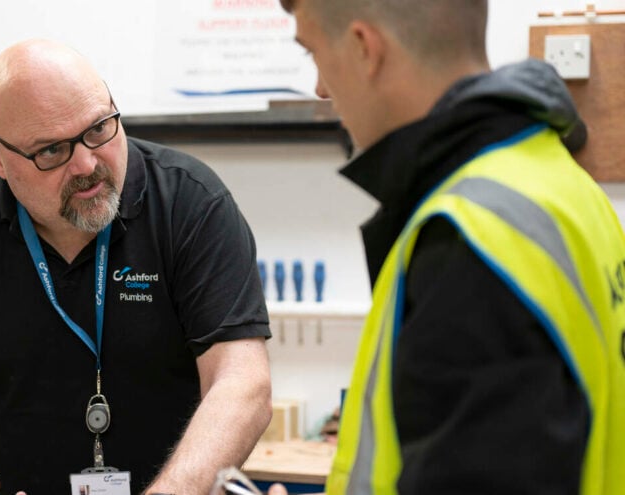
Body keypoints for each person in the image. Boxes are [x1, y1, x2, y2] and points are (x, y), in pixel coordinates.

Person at [0, 39, 273, 495]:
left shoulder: (191, 203)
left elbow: (242, 381)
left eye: (100, 128)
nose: (87, 163)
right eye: (51, 151)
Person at [266, 1, 625, 494]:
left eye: (314, 55)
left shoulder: (468, 237)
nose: (321, 90)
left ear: (364, 48)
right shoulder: (566, 187)